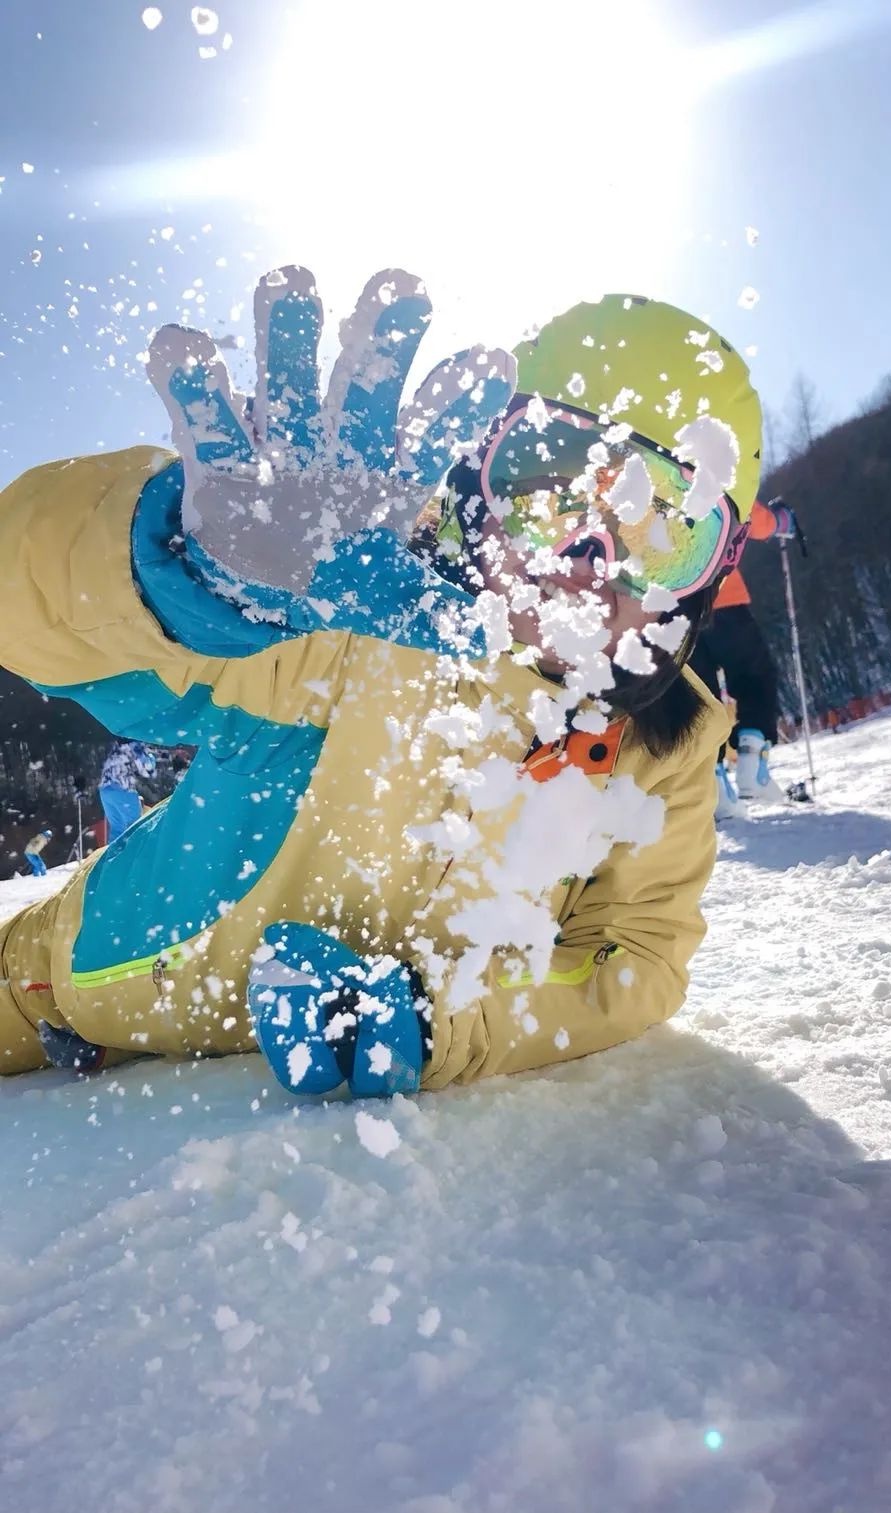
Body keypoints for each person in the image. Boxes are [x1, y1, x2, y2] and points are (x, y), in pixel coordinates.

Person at [0, 267, 762, 1092]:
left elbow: (635, 954)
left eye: (663, 534)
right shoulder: (347, 626)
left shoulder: (663, 754)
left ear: (711, 577)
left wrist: (438, 1012)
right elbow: (39, 628)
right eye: (546, 496)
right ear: (477, 495)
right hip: (50, 979)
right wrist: (181, 583)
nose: (587, 566)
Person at [689, 497, 790, 813]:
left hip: (671, 613)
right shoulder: (705, 465)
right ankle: (751, 762)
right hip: (722, 598)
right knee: (754, 676)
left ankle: (716, 785)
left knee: (699, 695)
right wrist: (781, 521)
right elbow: (750, 516)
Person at [97, 739, 157, 843]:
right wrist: (151, 757)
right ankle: (137, 854)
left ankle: (114, 857)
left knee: (117, 828)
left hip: (105, 789)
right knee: (135, 826)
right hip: (122, 788)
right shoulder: (136, 746)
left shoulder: (116, 747)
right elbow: (147, 768)